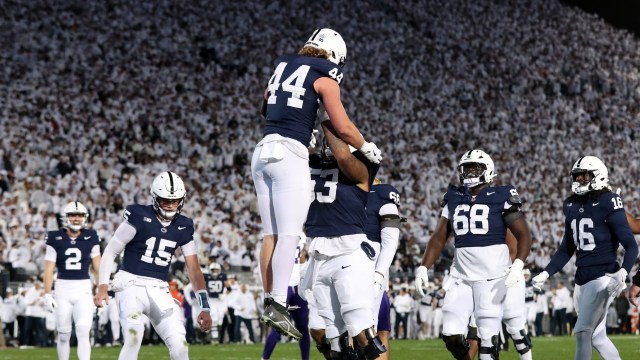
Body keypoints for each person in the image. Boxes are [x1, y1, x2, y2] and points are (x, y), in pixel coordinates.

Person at [252, 27, 382, 340]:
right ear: (336, 55)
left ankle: (269, 296)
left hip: (262, 151)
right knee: (291, 234)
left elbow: (266, 106)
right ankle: (278, 303)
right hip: (289, 154)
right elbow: (342, 125)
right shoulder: (326, 73)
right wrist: (365, 146)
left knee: (270, 234)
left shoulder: (283, 65)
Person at [414, 149, 532, 360]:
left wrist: (518, 265)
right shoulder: (453, 195)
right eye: (466, 168)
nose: (469, 173)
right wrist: (423, 267)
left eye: (475, 168)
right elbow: (439, 236)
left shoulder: (501, 195)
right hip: (461, 278)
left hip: (492, 277)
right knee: (451, 334)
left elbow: (524, 235)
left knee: (487, 342)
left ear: (488, 171)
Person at [94, 171, 212, 360]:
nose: (171, 205)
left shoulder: (184, 225)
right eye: (165, 200)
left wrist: (204, 307)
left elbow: (194, 270)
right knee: (134, 336)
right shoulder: (138, 215)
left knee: (180, 345)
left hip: (159, 288)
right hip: (130, 284)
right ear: (155, 198)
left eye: (175, 201)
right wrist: (102, 286)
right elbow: (110, 251)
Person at [532, 156, 638, 360]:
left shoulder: (609, 201)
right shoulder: (570, 204)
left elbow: (631, 244)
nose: (580, 180)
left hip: (603, 276)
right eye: (577, 176)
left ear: (598, 176)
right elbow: (567, 247)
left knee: (582, 332)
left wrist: (623, 271)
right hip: (581, 278)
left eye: (585, 176)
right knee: (597, 338)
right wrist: (546, 273)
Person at [301, 120, 386, 359]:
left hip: (349, 252)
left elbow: (343, 156)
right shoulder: (313, 162)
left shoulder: (363, 165)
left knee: (362, 335)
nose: (329, 143)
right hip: (318, 253)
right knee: (332, 341)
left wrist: (327, 116)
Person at [42, 201, 101, 360]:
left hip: (83, 288)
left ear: (85, 218)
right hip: (62, 288)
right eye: (73, 215)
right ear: (65, 217)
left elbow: (97, 267)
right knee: (63, 334)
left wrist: (102, 290)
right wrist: (47, 293)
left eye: (80, 215)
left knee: (83, 331)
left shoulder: (91, 237)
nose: (76, 219)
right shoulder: (55, 237)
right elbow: (48, 269)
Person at [365, 177, 402, 358]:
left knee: (381, 331)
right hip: (358, 271)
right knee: (362, 330)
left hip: (379, 277)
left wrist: (378, 277)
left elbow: (390, 242)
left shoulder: (382, 196)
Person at [261, 238, 310, 360]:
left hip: (290, 286)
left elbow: (301, 257)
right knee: (282, 326)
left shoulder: (288, 233)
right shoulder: (281, 234)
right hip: (287, 286)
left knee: (300, 327)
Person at [204, 262, 228, 343]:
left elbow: (229, 288)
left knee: (220, 319)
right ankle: (215, 338)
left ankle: (217, 335)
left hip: (220, 300)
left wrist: (224, 294)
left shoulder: (223, 276)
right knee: (214, 317)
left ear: (219, 270)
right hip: (211, 300)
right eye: (213, 270)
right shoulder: (206, 277)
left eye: (216, 270)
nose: (215, 271)